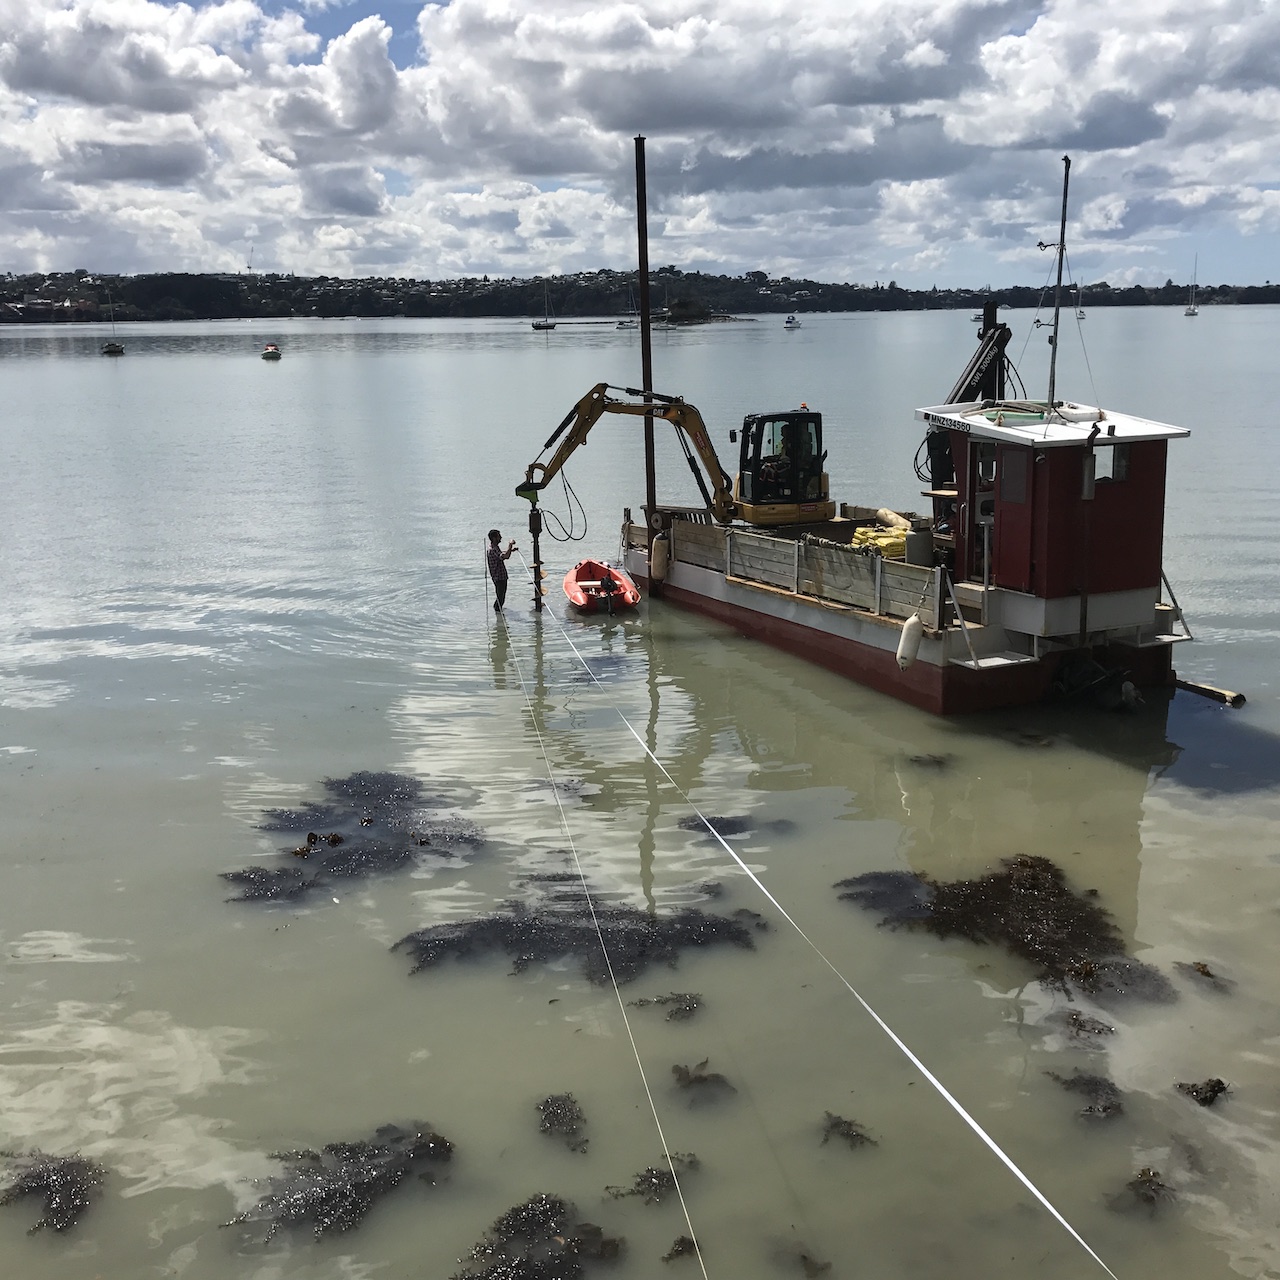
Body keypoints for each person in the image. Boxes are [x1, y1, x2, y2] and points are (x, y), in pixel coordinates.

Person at [486, 529, 516, 611]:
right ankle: (498, 612)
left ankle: (498, 615)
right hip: (499, 578)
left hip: (499, 577)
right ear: (494, 538)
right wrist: (510, 544)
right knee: (500, 598)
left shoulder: (494, 547)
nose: (501, 538)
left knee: (501, 597)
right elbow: (506, 556)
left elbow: (501, 554)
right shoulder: (493, 549)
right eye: (499, 536)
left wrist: (510, 550)